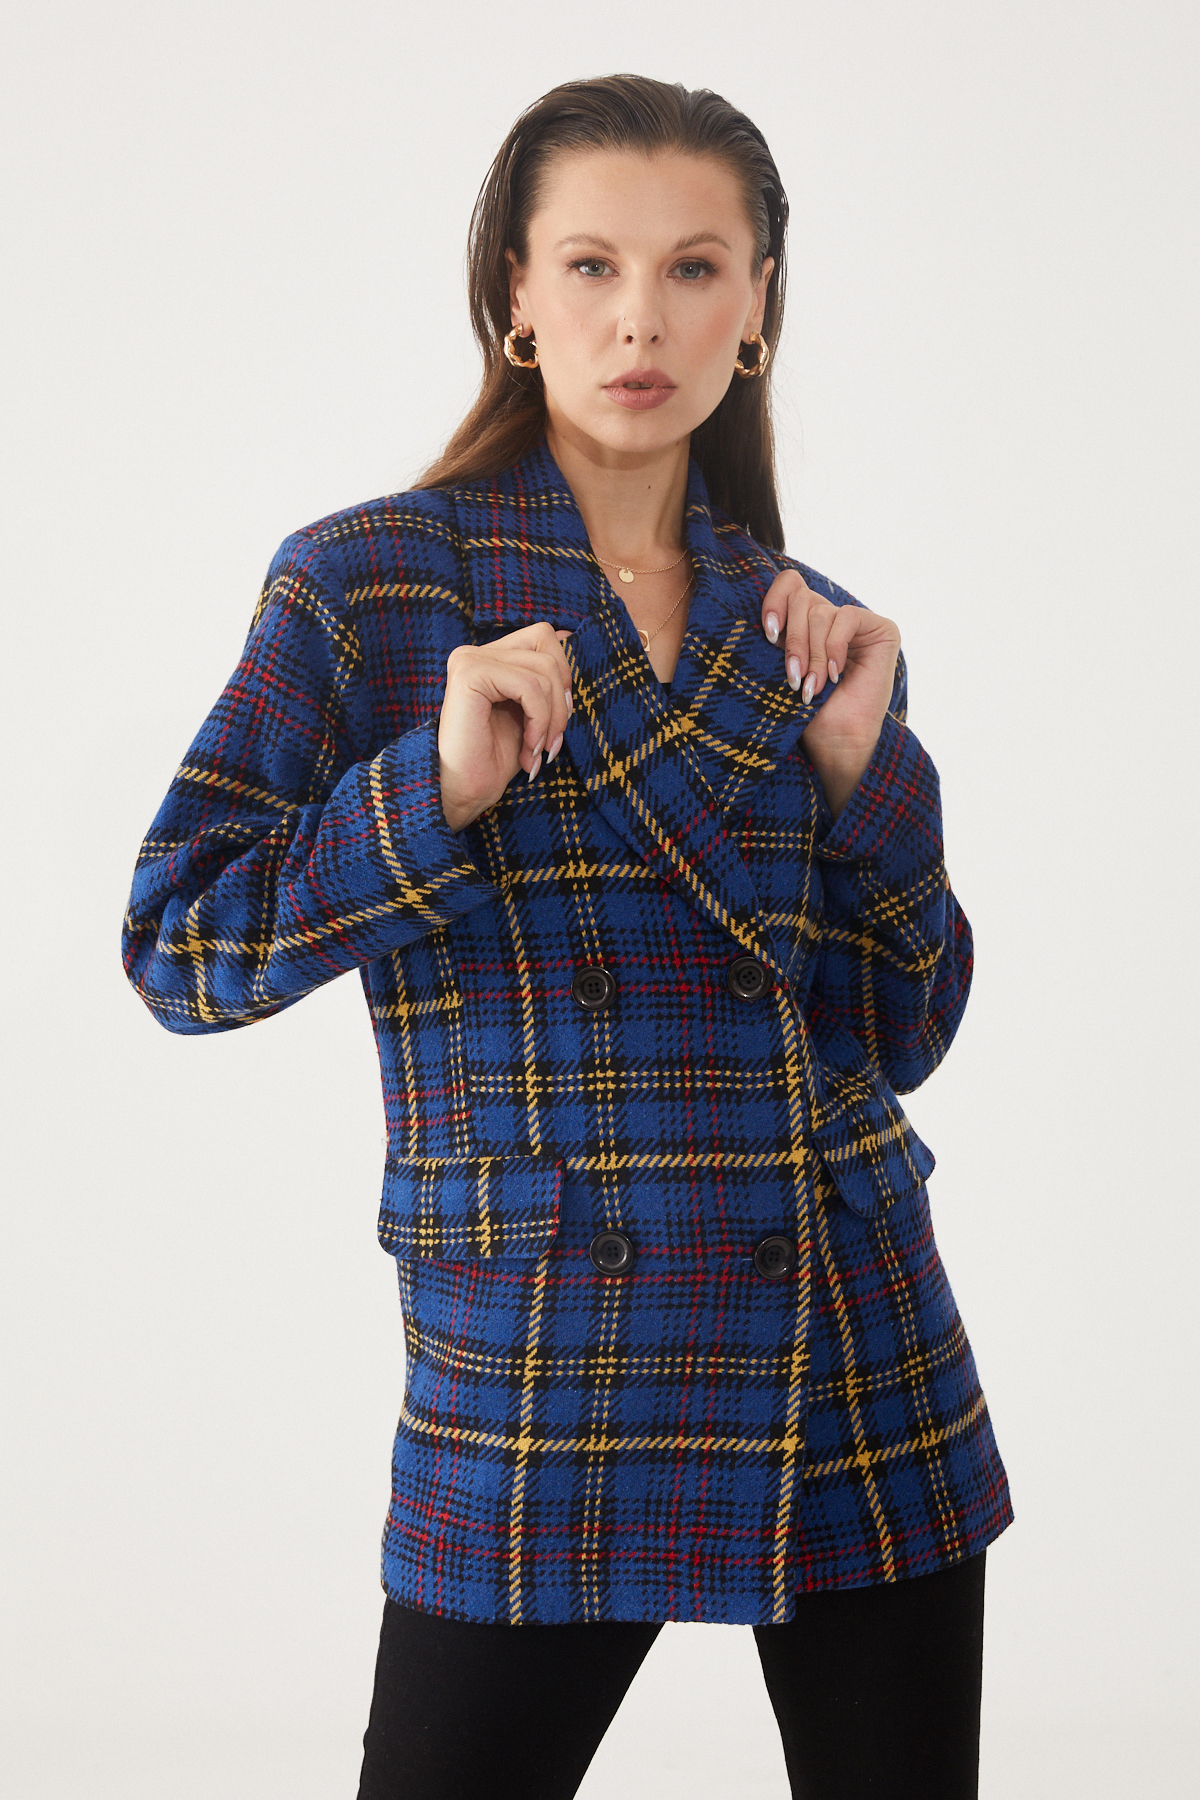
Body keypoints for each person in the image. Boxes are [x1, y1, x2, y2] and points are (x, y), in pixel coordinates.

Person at [121, 73, 1012, 1800]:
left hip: (848, 1331)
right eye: (592, 265)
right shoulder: (372, 585)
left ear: (757, 306)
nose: (640, 321)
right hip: (543, 1342)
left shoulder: (806, 626)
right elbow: (178, 944)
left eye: (694, 269)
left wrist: (868, 775)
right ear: (515, 298)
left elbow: (903, 1032)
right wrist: (430, 792)